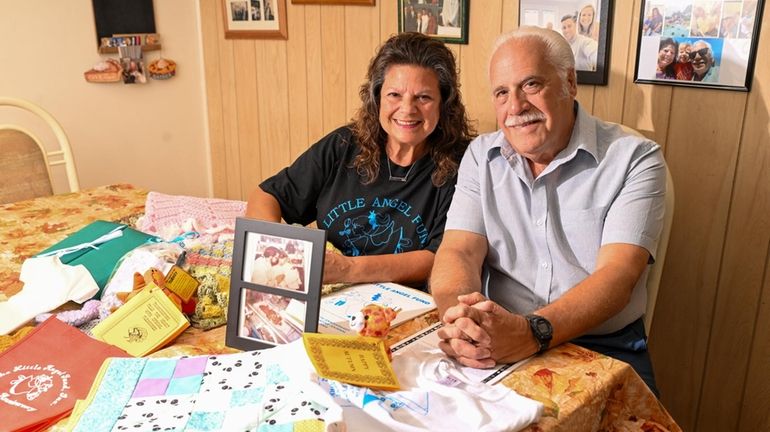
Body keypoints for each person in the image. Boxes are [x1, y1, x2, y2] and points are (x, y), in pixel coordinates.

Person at [429, 26, 667, 395]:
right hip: (497, 335)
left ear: (569, 83)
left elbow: (618, 278)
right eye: (502, 93)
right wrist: (460, 319)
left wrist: (531, 333)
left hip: (602, 345)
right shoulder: (481, 156)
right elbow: (458, 250)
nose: (516, 107)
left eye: (531, 85)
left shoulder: (635, 158)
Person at [246, 32, 475, 288]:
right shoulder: (344, 144)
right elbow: (267, 195)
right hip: (330, 296)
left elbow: (440, 258)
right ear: (376, 98)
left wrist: (347, 269)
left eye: (423, 97)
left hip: (401, 307)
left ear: (444, 104)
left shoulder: (464, 165)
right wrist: (276, 253)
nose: (408, 109)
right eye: (394, 95)